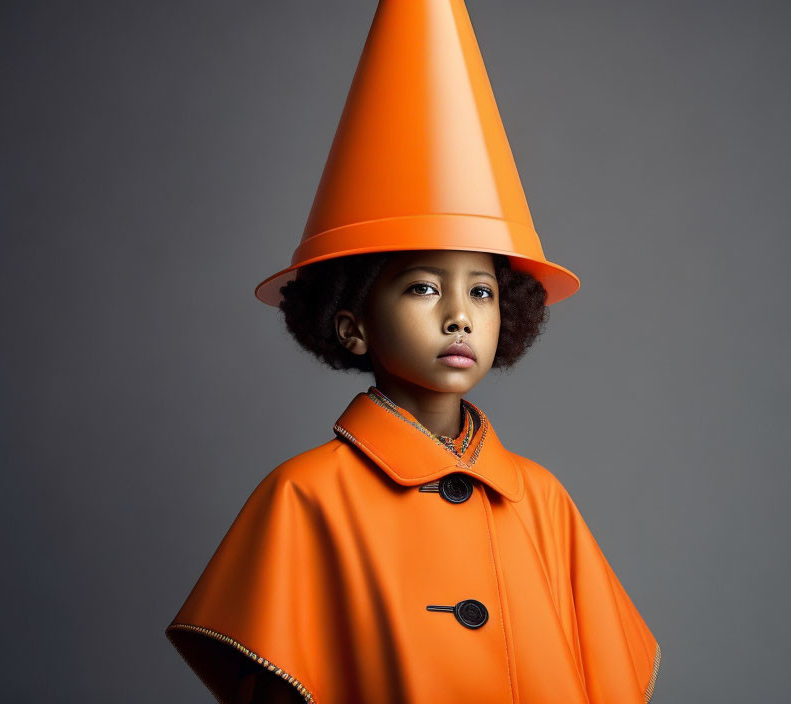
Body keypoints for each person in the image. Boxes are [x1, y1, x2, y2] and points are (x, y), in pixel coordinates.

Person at [165, 1, 661, 702]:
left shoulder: (541, 498)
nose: (459, 316)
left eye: (483, 292)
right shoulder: (304, 497)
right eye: (424, 288)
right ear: (352, 325)